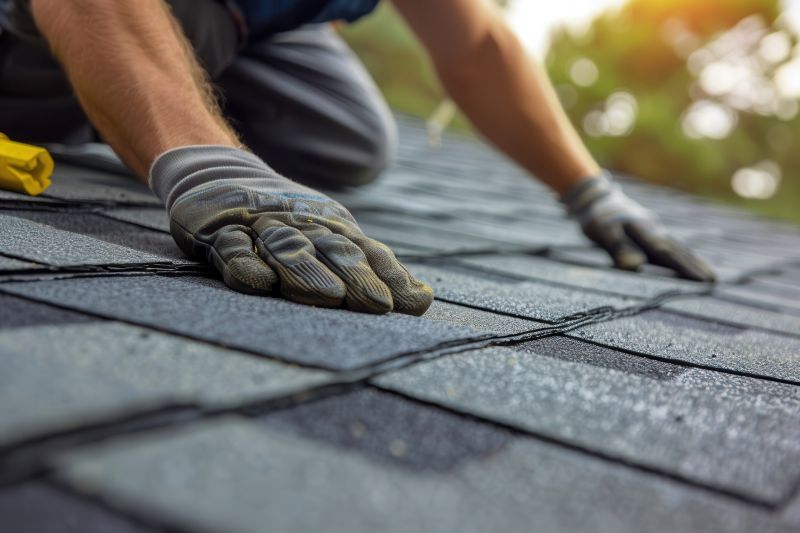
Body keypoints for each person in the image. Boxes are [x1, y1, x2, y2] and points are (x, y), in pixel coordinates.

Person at [0, 0, 715, 316]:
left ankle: (130, 91)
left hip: (230, 19)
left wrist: (589, 190)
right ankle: (118, 97)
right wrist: (205, 160)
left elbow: (477, 45)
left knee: (347, 134)